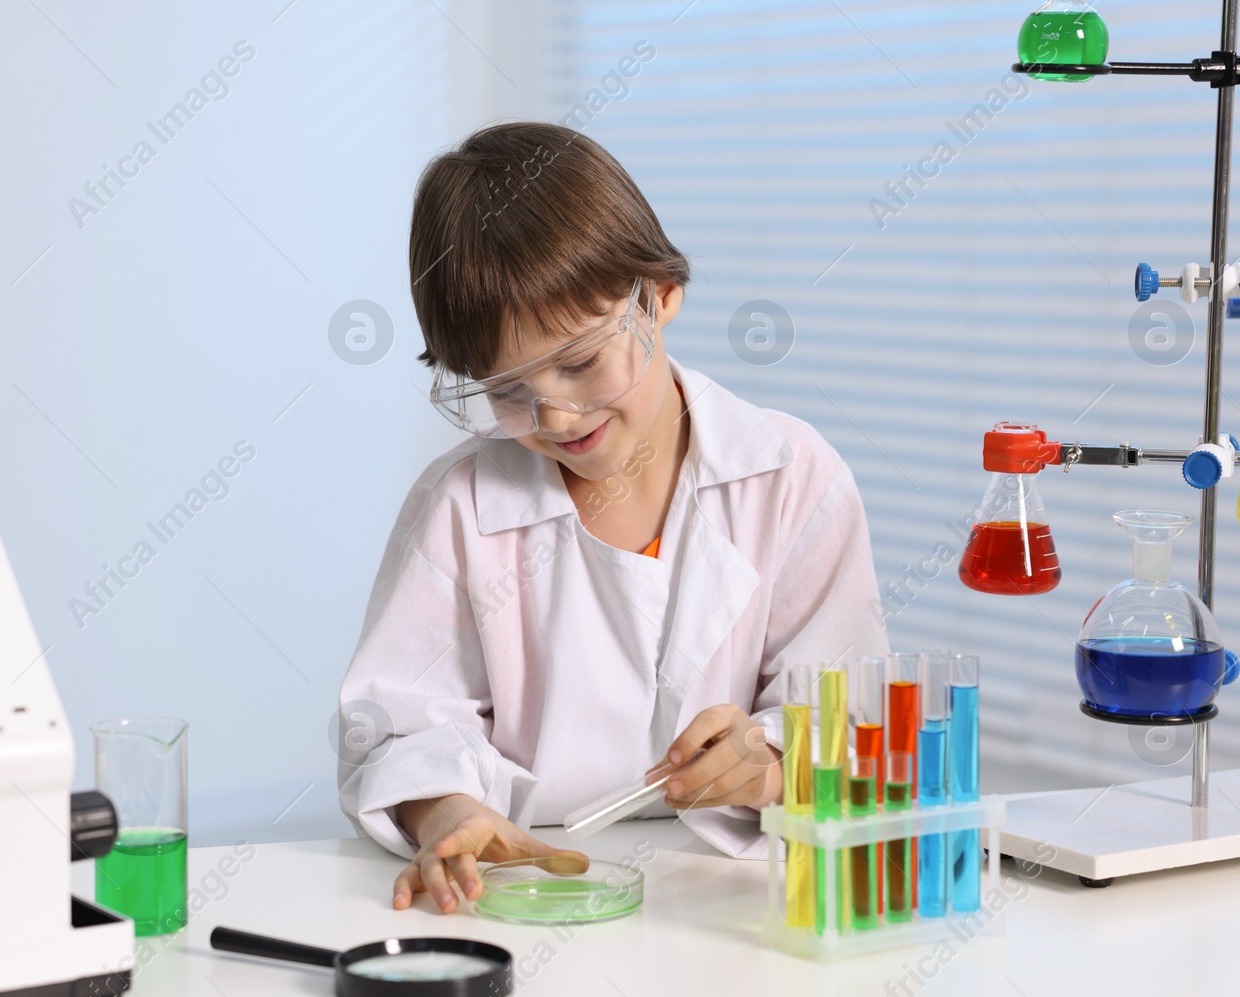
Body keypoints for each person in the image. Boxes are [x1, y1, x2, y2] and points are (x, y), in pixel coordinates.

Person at [337, 121, 886, 913]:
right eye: (508, 391)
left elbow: (853, 722)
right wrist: (449, 812)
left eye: (583, 361)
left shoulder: (793, 479)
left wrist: (768, 761)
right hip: (527, 895)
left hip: (742, 907)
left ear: (659, 296)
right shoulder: (459, 507)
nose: (555, 415)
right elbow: (399, 729)